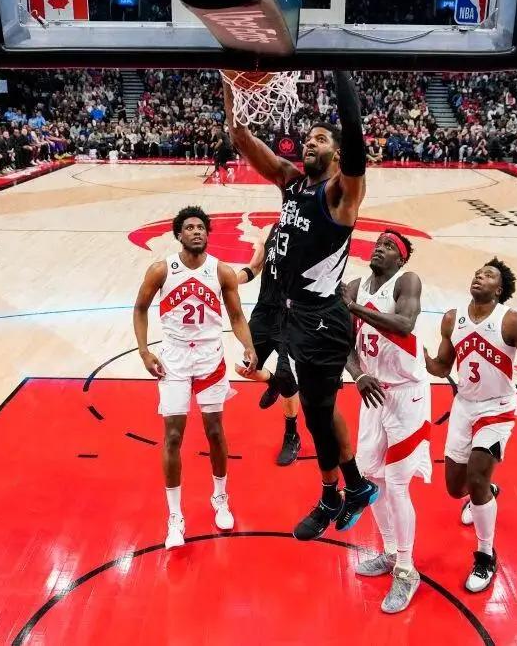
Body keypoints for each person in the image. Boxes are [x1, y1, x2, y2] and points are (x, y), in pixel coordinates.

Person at [224, 70, 378, 541]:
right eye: (308, 138)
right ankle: (353, 487)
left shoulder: (340, 196)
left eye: (320, 139)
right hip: (290, 311)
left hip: (322, 320)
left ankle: (334, 494)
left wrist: (340, 68)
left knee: (317, 414)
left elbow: (355, 138)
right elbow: (240, 136)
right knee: (319, 409)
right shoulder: (292, 182)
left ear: (337, 155)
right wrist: (229, 81)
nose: (309, 143)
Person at [424, 258, 517, 592]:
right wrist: (420, 356)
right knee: (456, 488)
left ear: (498, 290)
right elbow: (442, 368)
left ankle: (485, 555)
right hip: (464, 407)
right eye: (477, 273)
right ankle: (485, 493)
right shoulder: (451, 318)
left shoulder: (512, 322)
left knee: (476, 476)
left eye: (488, 276)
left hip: (497, 409)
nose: (479, 277)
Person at [132, 206, 257, 549]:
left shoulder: (221, 271)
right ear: (178, 235)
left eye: (201, 227)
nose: (196, 231)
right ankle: (175, 517)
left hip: (209, 358)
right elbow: (140, 309)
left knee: (215, 432)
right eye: (189, 227)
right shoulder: (161, 270)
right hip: (173, 359)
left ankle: (220, 498)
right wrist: (143, 351)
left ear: (207, 233)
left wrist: (248, 346)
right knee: (173, 437)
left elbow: (237, 316)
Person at [343, 230, 429, 614]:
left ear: (401, 257)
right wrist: (358, 374)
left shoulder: (407, 281)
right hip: (373, 391)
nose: (380, 247)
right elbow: (344, 343)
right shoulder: (355, 285)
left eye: (390, 245)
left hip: (408, 395)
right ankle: (391, 552)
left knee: (396, 484)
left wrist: (352, 308)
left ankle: (407, 570)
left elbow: (404, 324)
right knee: (371, 479)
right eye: (378, 242)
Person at [234, 221, 302, 465]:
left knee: (288, 379)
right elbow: (254, 267)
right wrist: (230, 280)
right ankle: (272, 382)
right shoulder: (274, 229)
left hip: (292, 316)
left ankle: (291, 435)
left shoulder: (311, 233)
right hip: (264, 313)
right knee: (244, 368)